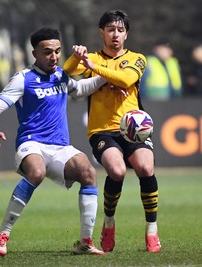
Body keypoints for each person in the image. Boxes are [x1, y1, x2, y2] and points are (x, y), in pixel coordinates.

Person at [0, 27, 107, 256]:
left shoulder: (61, 75)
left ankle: (85, 242)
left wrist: (107, 76)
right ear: (35, 54)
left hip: (60, 147)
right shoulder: (23, 79)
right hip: (31, 145)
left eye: (57, 51)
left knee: (89, 172)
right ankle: (3, 234)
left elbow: (79, 89)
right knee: (37, 172)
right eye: (48, 52)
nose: (54, 57)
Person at [64, 10, 161, 253]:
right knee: (116, 171)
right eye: (110, 29)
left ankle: (152, 230)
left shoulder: (137, 58)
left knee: (145, 168)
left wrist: (95, 68)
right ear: (101, 33)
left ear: (126, 34)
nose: (115, 34)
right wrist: (77, 57)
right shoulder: (92, 58)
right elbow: (67, 72)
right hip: (102, 130)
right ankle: (108, 223)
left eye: (120, 30)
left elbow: (126, 80)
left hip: (134, 129)